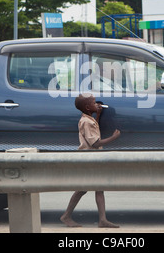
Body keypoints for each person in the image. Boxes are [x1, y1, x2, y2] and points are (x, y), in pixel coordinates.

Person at [60, 93, 121, 228]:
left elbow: (94, 132)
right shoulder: (86, 122)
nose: (97, 104)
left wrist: (97, 115)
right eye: (94, 103)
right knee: (82, 189)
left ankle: (102, 219)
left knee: (98, 188)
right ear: (88, 107)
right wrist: (113, 137)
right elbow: (95, 143)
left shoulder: (88, 119)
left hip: (93, 158)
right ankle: (66, 216)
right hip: (88, 158)